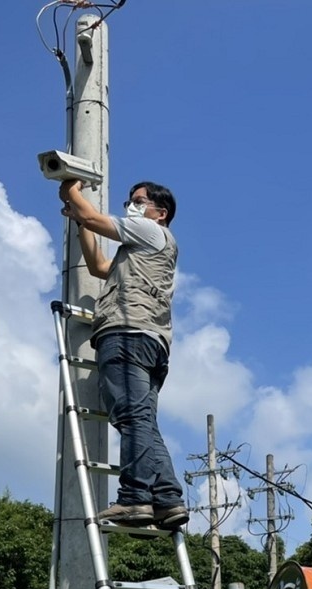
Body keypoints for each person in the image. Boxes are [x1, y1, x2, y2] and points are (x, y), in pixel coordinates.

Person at [58, 178, 188, 529]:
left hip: (128, 334)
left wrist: (71, 188)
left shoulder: (149, 231)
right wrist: (81, 220)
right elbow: (99, 266)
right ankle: (166, 498)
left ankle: (133, 500)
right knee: (143, 422)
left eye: (139, 201)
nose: (132, 205)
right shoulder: (141, 247)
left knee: (132, 418)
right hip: (151, 341)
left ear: (160, 214)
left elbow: (98, 220)